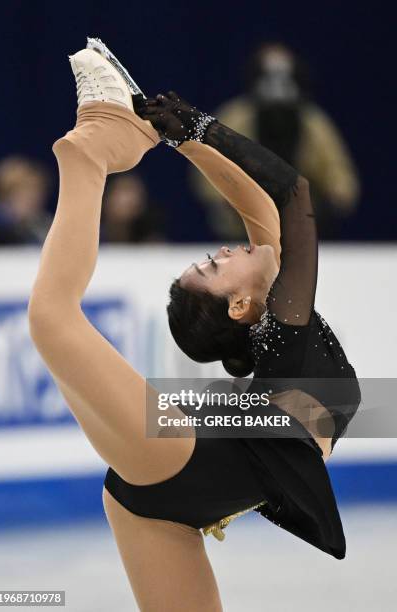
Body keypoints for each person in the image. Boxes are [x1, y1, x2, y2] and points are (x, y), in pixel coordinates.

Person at [28, 38, 360, 612]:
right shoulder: (285, 329)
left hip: (157, 493)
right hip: (190, 461)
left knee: (53, 324)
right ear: (237, 306)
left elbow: (260, 210)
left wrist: (183, 138)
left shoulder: (275, 328)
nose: (225, 249)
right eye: (212, 265)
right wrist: (197, 128)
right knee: (51, 319)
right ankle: (87, 152)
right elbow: (291, 194)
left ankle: (112, 136)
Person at [191, 42, 361, 240]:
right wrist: (224, 196)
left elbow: (338, 172)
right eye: (268, 78)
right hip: (244, 225)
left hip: (304, 224)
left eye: (284, 78)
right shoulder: (236, 119)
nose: (277, 88)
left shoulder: (312, 124)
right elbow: (205, 165)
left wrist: (337, 193)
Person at [0, 155, 52, 245]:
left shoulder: (43, 224)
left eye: (37, 193)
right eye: (25, 193)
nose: (33, 200)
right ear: (5, 194)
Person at [101, 171, 166, 243]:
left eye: (135, 192)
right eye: (124, 190)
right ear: (106, 197)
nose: (130, 199)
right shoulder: (91, 237)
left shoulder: (152, 244)